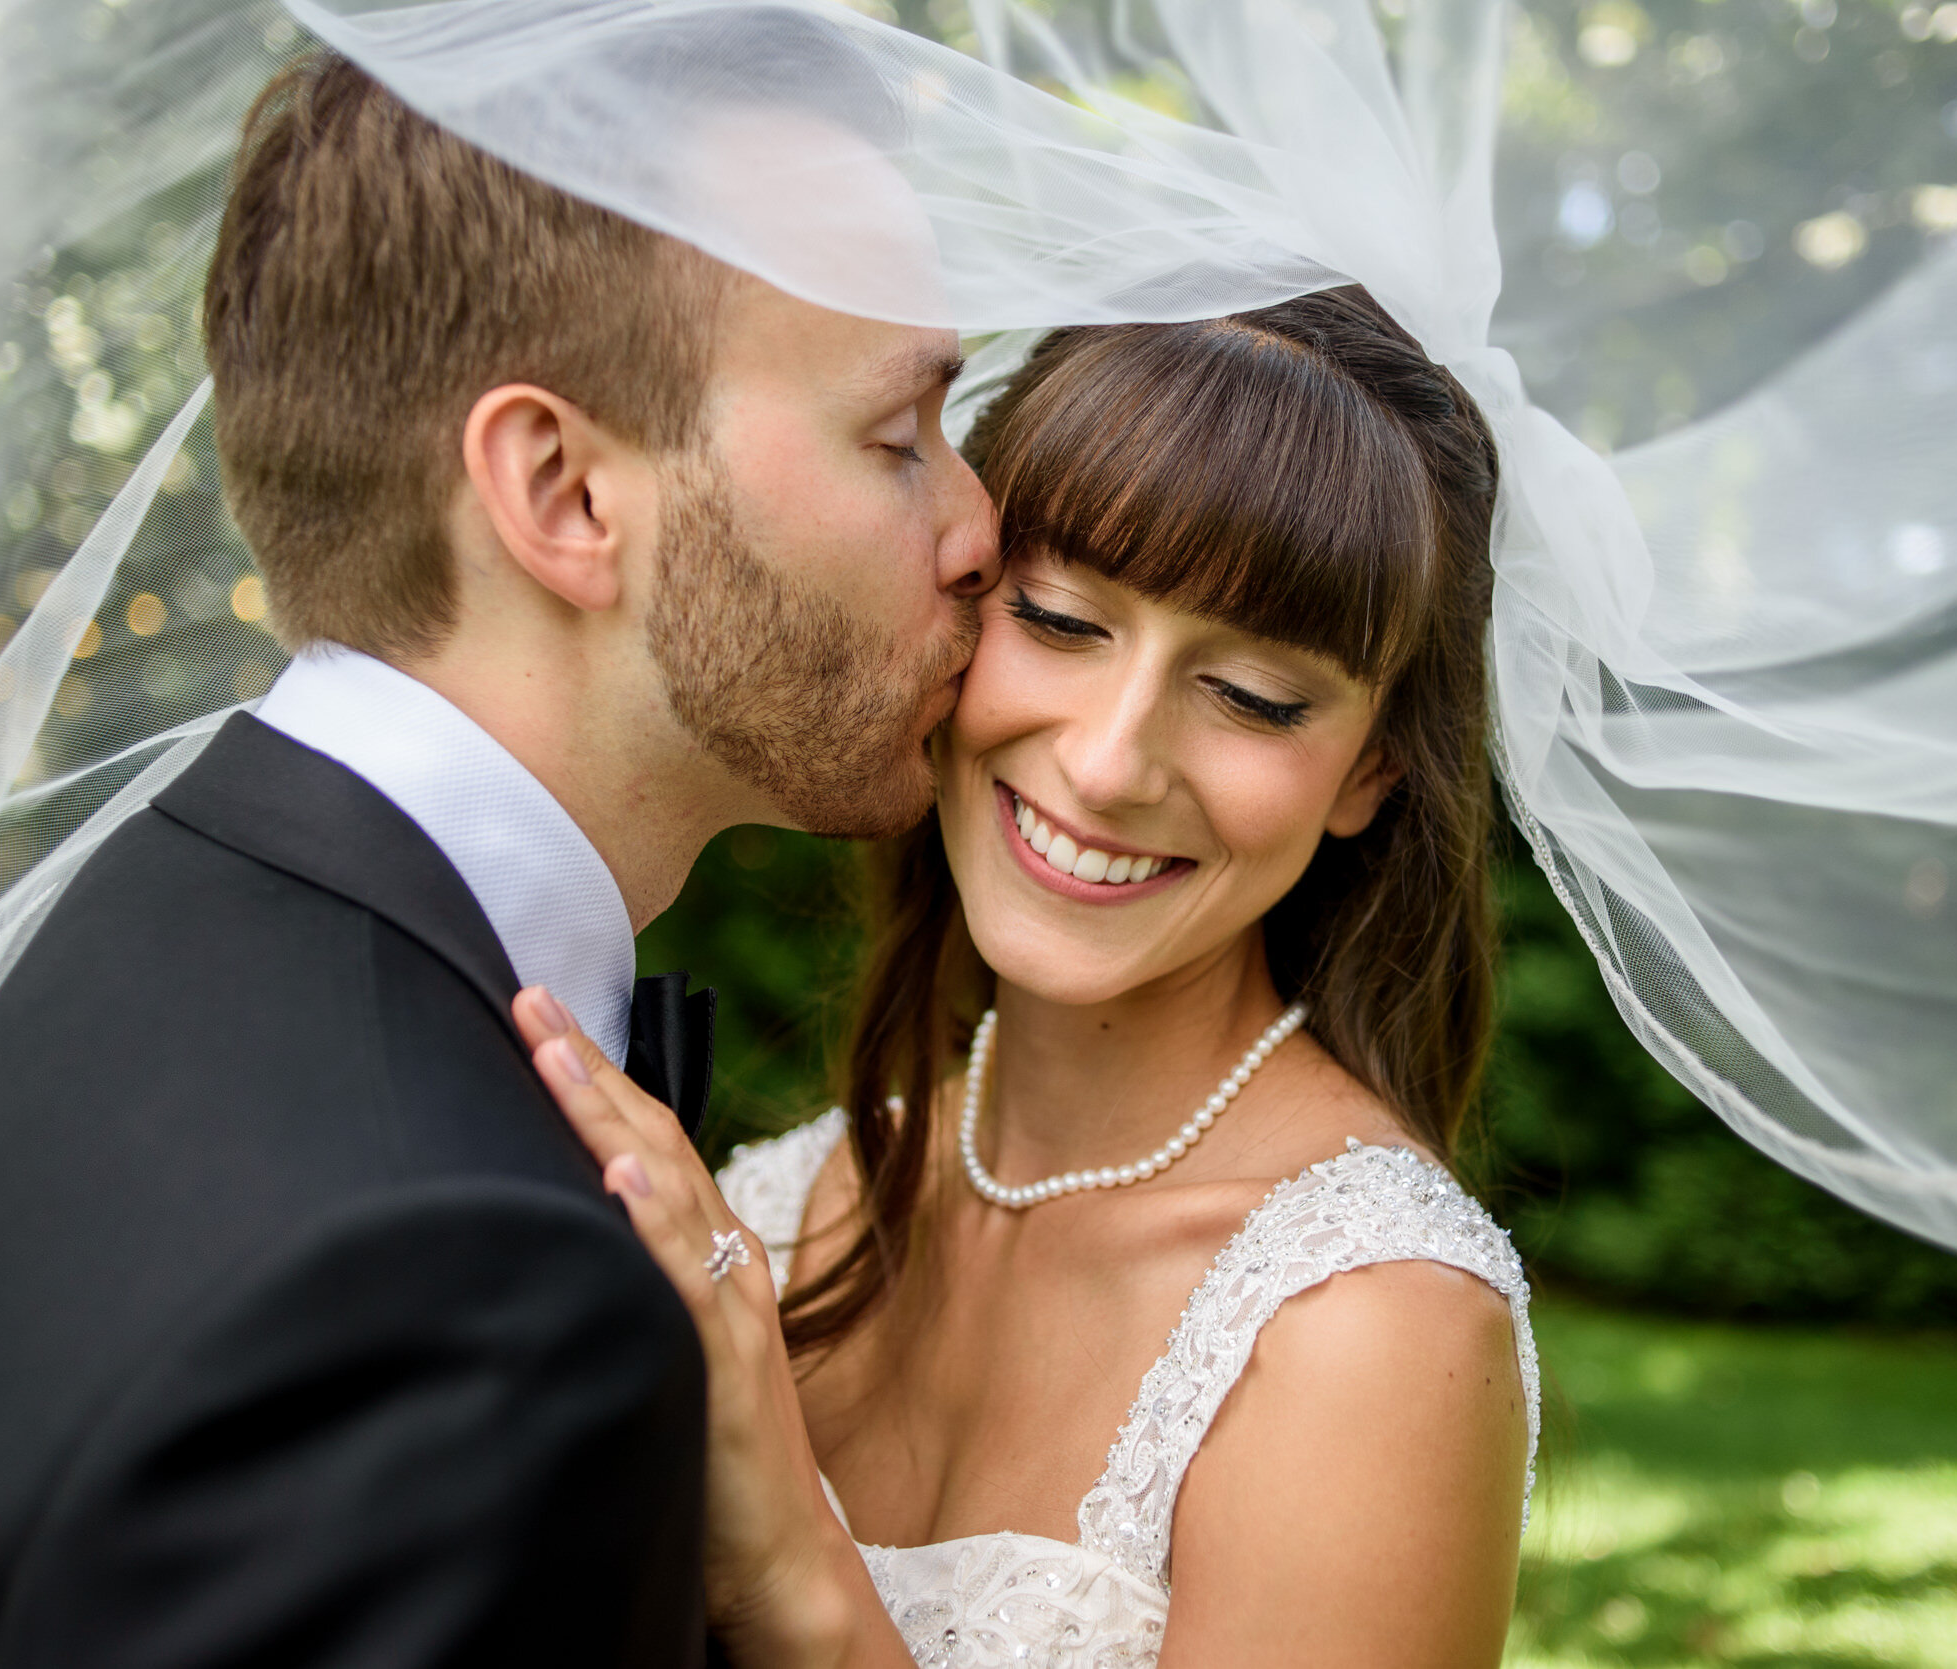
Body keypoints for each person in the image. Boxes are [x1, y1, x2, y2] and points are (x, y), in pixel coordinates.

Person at [0, 48, 994, 1669]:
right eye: (899, 432)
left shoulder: (130, 935)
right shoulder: (447, 1302)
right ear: (564, 491)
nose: (980, 522)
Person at [524, 286, 1537, 1669]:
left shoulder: (1370, 1324)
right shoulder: (782, 1206)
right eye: (1060, 619)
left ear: (1372, 768)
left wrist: (789, 1569)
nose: (1112, 760)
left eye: (1251, 696)